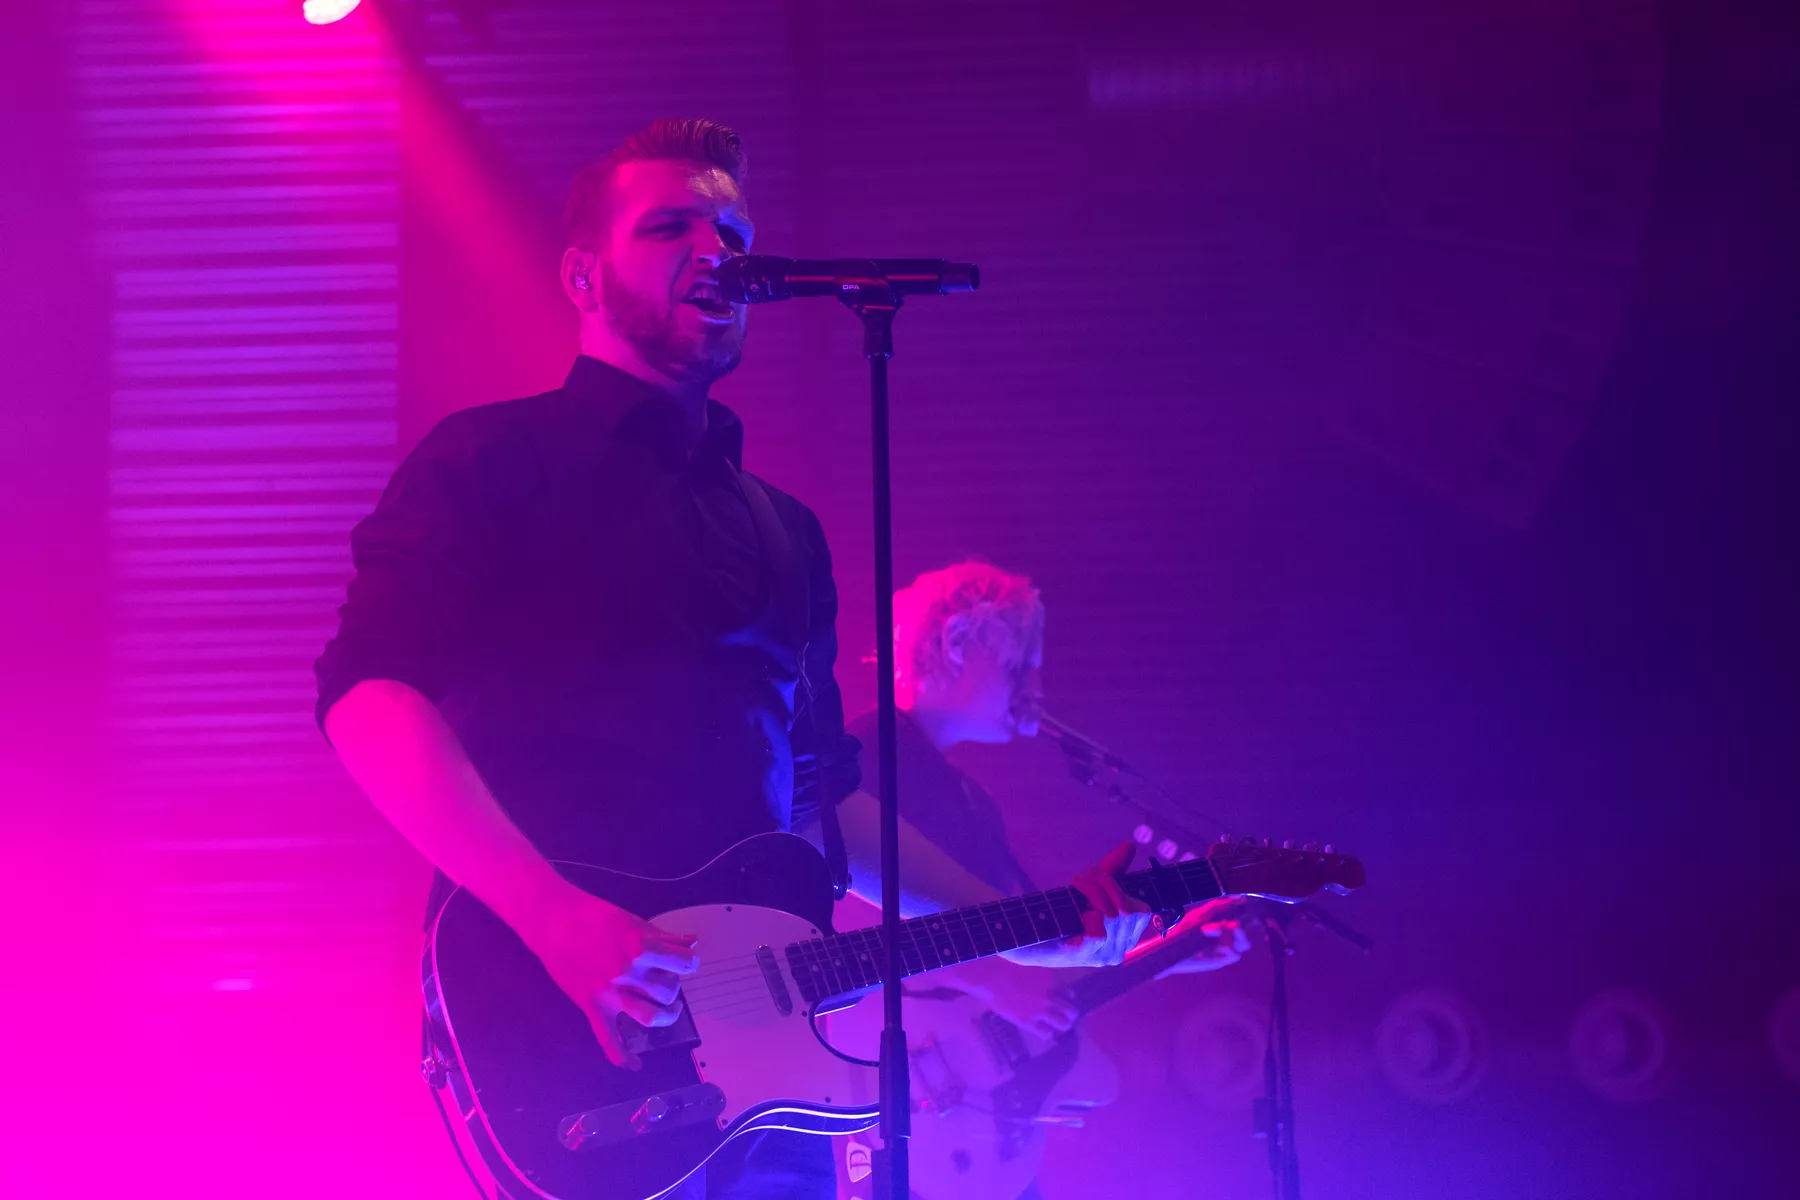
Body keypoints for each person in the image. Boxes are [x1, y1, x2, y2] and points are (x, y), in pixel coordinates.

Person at [313, 120, 1150, 1200]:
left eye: (735, 232)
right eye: (670, 228)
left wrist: (1023, 931)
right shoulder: (490, 460)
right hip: (569, 1017)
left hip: (767, 1055)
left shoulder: (783, 529)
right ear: (582, 275)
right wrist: (554, 917)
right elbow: (367, 695)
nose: (717, 249)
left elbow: (822, 805)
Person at [838, 562, 1248, 1197]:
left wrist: (1171, 951)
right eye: (1016, 665)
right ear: (955, 645)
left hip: (968, 1115)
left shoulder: (973, 801)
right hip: (887, 1080)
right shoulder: (861, 757)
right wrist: (987, 979)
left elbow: (1036, 955)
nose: (1033, 686)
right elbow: (840, 916)